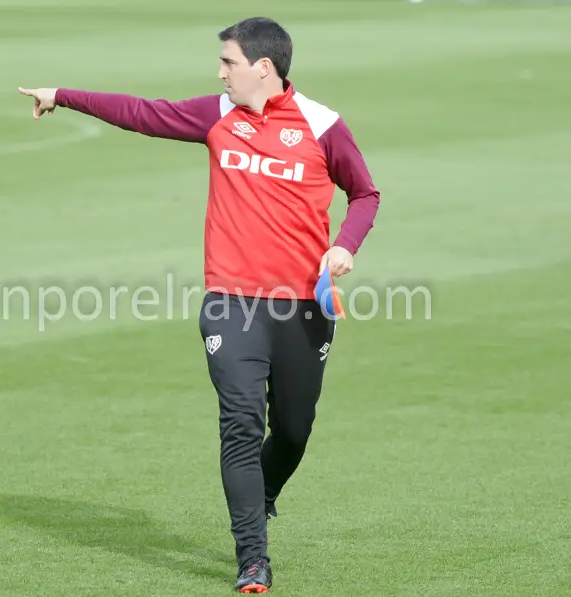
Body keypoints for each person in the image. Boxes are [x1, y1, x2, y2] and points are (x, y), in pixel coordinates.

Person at [19, 16, 380, 594]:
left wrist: (344, 244)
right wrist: (62, 95)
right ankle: (252, 559)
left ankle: (261, 494)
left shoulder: (321, 125)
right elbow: (141, 112)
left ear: (263, 67)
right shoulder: (217, 116)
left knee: (293, 429)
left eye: (229, 62)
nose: (220, 73)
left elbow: (364, 192)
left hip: (301, 308)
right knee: (240, 426)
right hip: (230, 303)